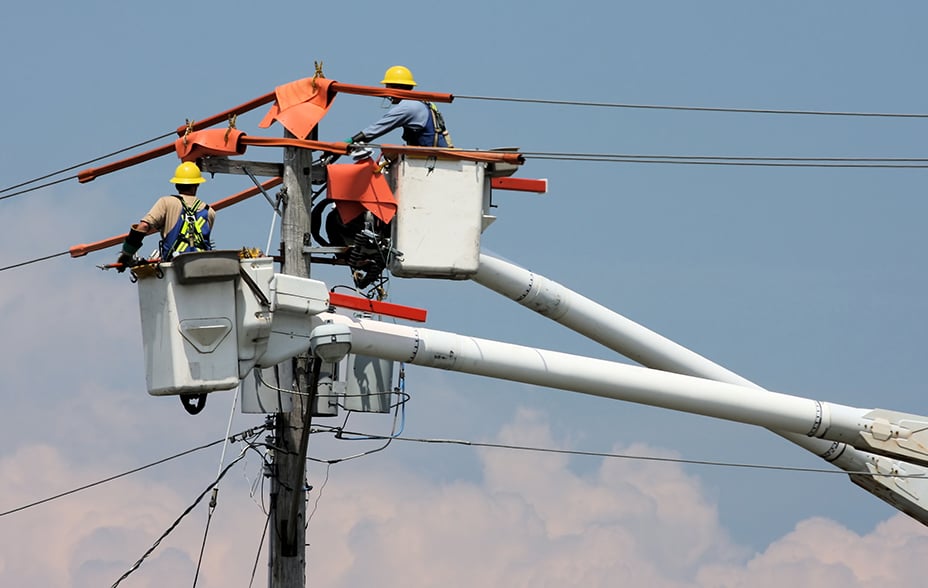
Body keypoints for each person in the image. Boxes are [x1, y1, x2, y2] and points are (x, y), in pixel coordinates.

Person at [116, 161, 216, 270]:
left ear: (176, 184)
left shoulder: (166, 203)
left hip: (175, 268)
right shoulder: (209, 211)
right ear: (197, 185)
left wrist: (127, 254)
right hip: (203, 267)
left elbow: (143, 227)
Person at [348, 65, 453, 148]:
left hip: (428, 160)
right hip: (435, 156)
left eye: (387, 88)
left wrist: (350, 142)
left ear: (397, 88)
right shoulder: (422, 102)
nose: (387, 93)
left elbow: (375, 129)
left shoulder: (408, 107)